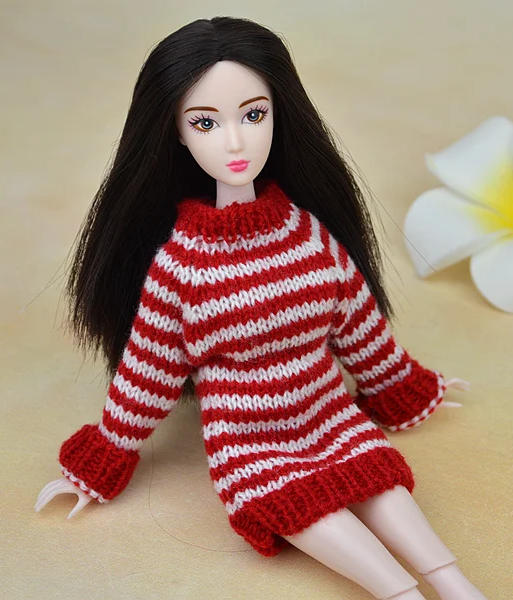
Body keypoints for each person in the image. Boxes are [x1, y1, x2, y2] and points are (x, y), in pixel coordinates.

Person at [35, 17, 487, 600]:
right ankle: (401, 594)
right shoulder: (182, 267)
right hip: (249, 445)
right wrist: (103, 456)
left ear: (280, 114)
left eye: (254, 115)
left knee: (380, 480)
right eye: (205, 122)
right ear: (175, 132)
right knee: (307, 509)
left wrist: (400, 385)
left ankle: (457, 584)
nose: (235, 142)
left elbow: (357, 321)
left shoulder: (307, 233)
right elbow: (148, 372)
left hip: (330, 413)